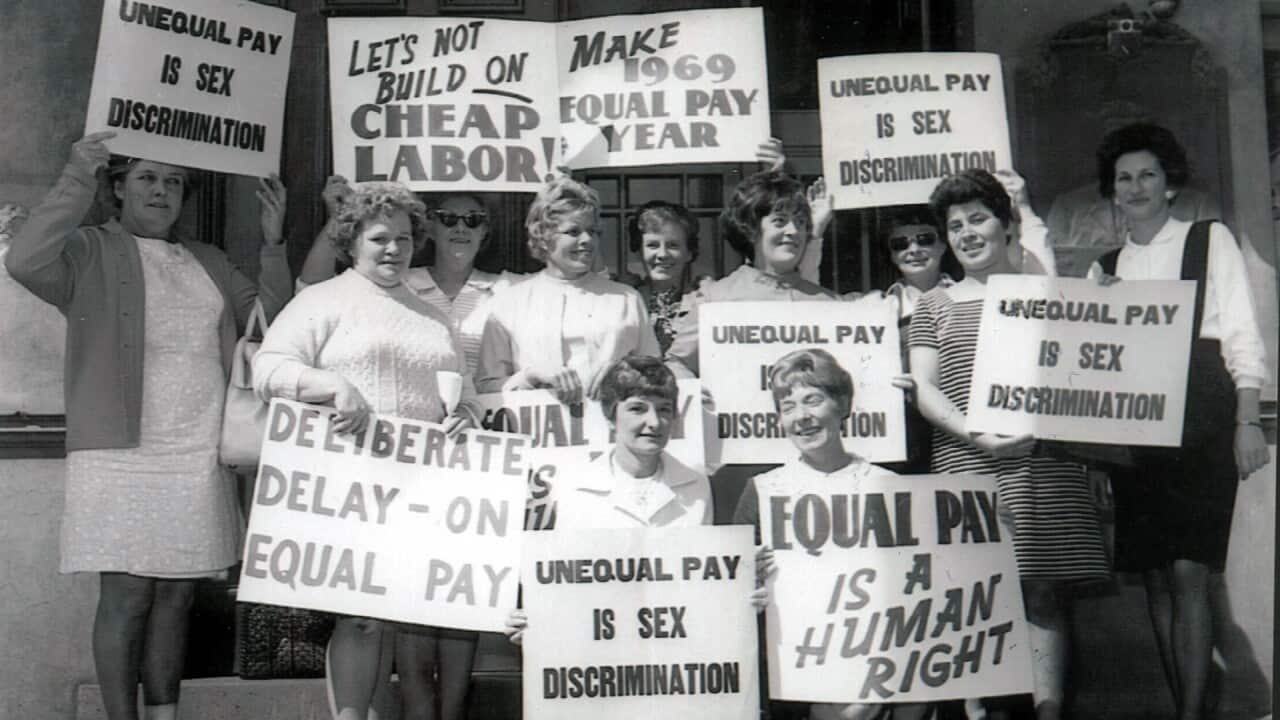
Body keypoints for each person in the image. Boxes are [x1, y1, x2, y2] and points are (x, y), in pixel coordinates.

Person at [4, 131, 291, 720]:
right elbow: (24, 259)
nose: (162, 191)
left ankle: (164, 714)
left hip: (195, 449)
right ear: (118, 188)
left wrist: (273, 242)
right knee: (128, 595)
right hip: (118, 451)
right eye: (147, 179)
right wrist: (77, 170)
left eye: (174, 182)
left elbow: (274, 321)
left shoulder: (207, 259)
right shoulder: (87, 251)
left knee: (178, 595)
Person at [252, 180, 479, 720]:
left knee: (399, 611)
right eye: (380, 238)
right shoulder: (321, 301)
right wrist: (331, 387)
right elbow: (268, 367)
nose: (394, 249)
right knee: (360, 617)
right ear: (352, 241)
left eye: (404, 238)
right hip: (345, 485)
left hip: (420, 489)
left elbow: (464, 392)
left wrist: (465, 416)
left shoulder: (431, 314)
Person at [908, 168, 1109, 720]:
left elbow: (1083, 372)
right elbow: (924, 388)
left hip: (1042, 463)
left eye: (979, 218)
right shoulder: (935, 304)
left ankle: (1049, 710)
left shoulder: (1046, 294)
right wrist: (980, 437)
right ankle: (976, 713)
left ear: (1005, 224)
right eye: (955, 225)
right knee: (973, 594)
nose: (968, 233)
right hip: (965, 462)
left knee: (1042, 592)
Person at [1090, 123, 1269, 720]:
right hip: (1134, 427)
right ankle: (1182, 708)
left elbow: (1241, 333)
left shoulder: (1208, 239)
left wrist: (1248, 420)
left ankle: (1192, 715)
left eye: (1148, 175)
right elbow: (1094, 370)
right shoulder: (1104, 268)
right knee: (1157, 577)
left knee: (1190, 569)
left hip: (1202, 412)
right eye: (1124, 178)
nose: (1136, 187)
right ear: (1111, 191)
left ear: (1169, 185)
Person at [504, 355, 768, 645]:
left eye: (665, 410)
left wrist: (740, 592)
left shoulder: (696, 486)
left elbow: (700, 585)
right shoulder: (570, 488)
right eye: (637, 409)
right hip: (599, 654)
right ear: (610, 417)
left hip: (674, 652)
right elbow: (561, 587)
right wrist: (532, 622)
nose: (654, 422)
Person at [733, 349, 927, 720]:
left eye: (813, 400)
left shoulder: (889, 486)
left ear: (842, 404)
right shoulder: (762, 490)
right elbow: (734, 592)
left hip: (885, 670)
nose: (801, 417)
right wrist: (747, 585)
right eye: (787, 406)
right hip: (798, 679)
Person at [300, 177, 520, 376]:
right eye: (448, 219)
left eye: (473, 220)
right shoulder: (395, 280)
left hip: (479, 412)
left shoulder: (508, 288)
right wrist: (338, 217)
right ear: (431, 228)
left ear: (484, 231)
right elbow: (312, 288)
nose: (460, 227)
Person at [477, 175, 659, 403]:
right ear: (543, 237)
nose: (587, 240)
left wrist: (625, 373)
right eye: (574, 232)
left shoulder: (626, 299)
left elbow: (657, 377)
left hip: (613, 430)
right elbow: (485, 388)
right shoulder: (509, 303)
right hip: (540, 432)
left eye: (593, 232)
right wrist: (530, 377)